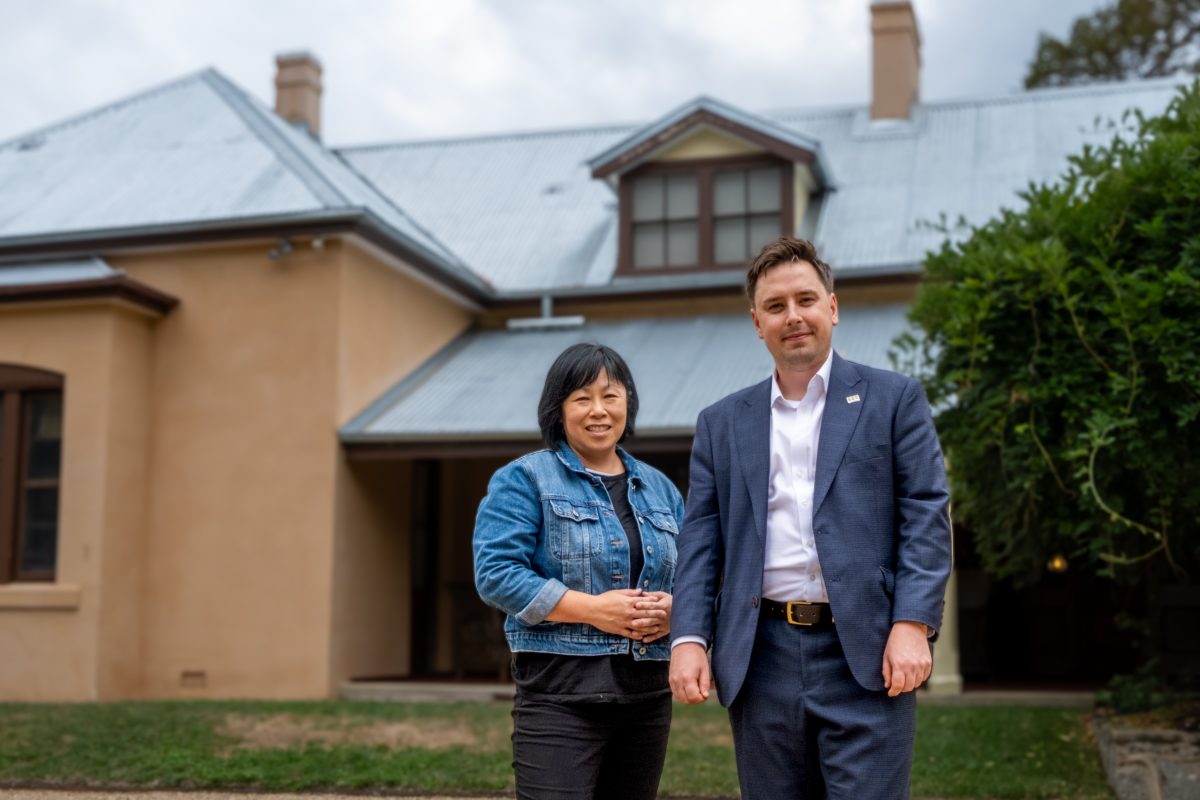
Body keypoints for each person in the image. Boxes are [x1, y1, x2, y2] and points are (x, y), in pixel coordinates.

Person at [669, 237, 952, 799]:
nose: (792, 316)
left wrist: (913, 623)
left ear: (833, 307)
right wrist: (688, 637)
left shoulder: (894, 399)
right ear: (757, 322)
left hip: (869, 652)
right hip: (760, 657)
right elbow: (702, 537)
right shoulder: (721, 422)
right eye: (776, 306)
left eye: (805, 299)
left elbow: (926, 514)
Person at [474, 342, 685, 800]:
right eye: (582, 398)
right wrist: (591, 609)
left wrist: (677, 612)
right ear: (559, 408)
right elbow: (495, 572)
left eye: (611, 396)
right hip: (559, 696)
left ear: (628, 403)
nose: (599, 411)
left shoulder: (661, 489)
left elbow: (694, 575)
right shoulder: (526, 479)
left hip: (647, 698)